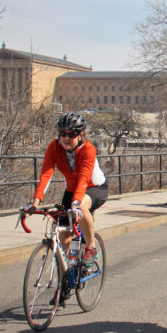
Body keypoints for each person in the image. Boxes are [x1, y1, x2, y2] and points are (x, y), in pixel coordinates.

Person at [28, 112, 108, 268]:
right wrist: (35, 202)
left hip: (94, 187)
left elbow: (84, 178)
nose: (66, 138)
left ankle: (91, 247)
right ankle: (66, 274)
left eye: (72, 134)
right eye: (62, 134)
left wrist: (76, 203)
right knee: (64, 233)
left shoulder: (88, 150)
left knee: (82, 207)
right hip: (72, 190)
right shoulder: (54, 147)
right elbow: (46, 174)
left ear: (80, 135)